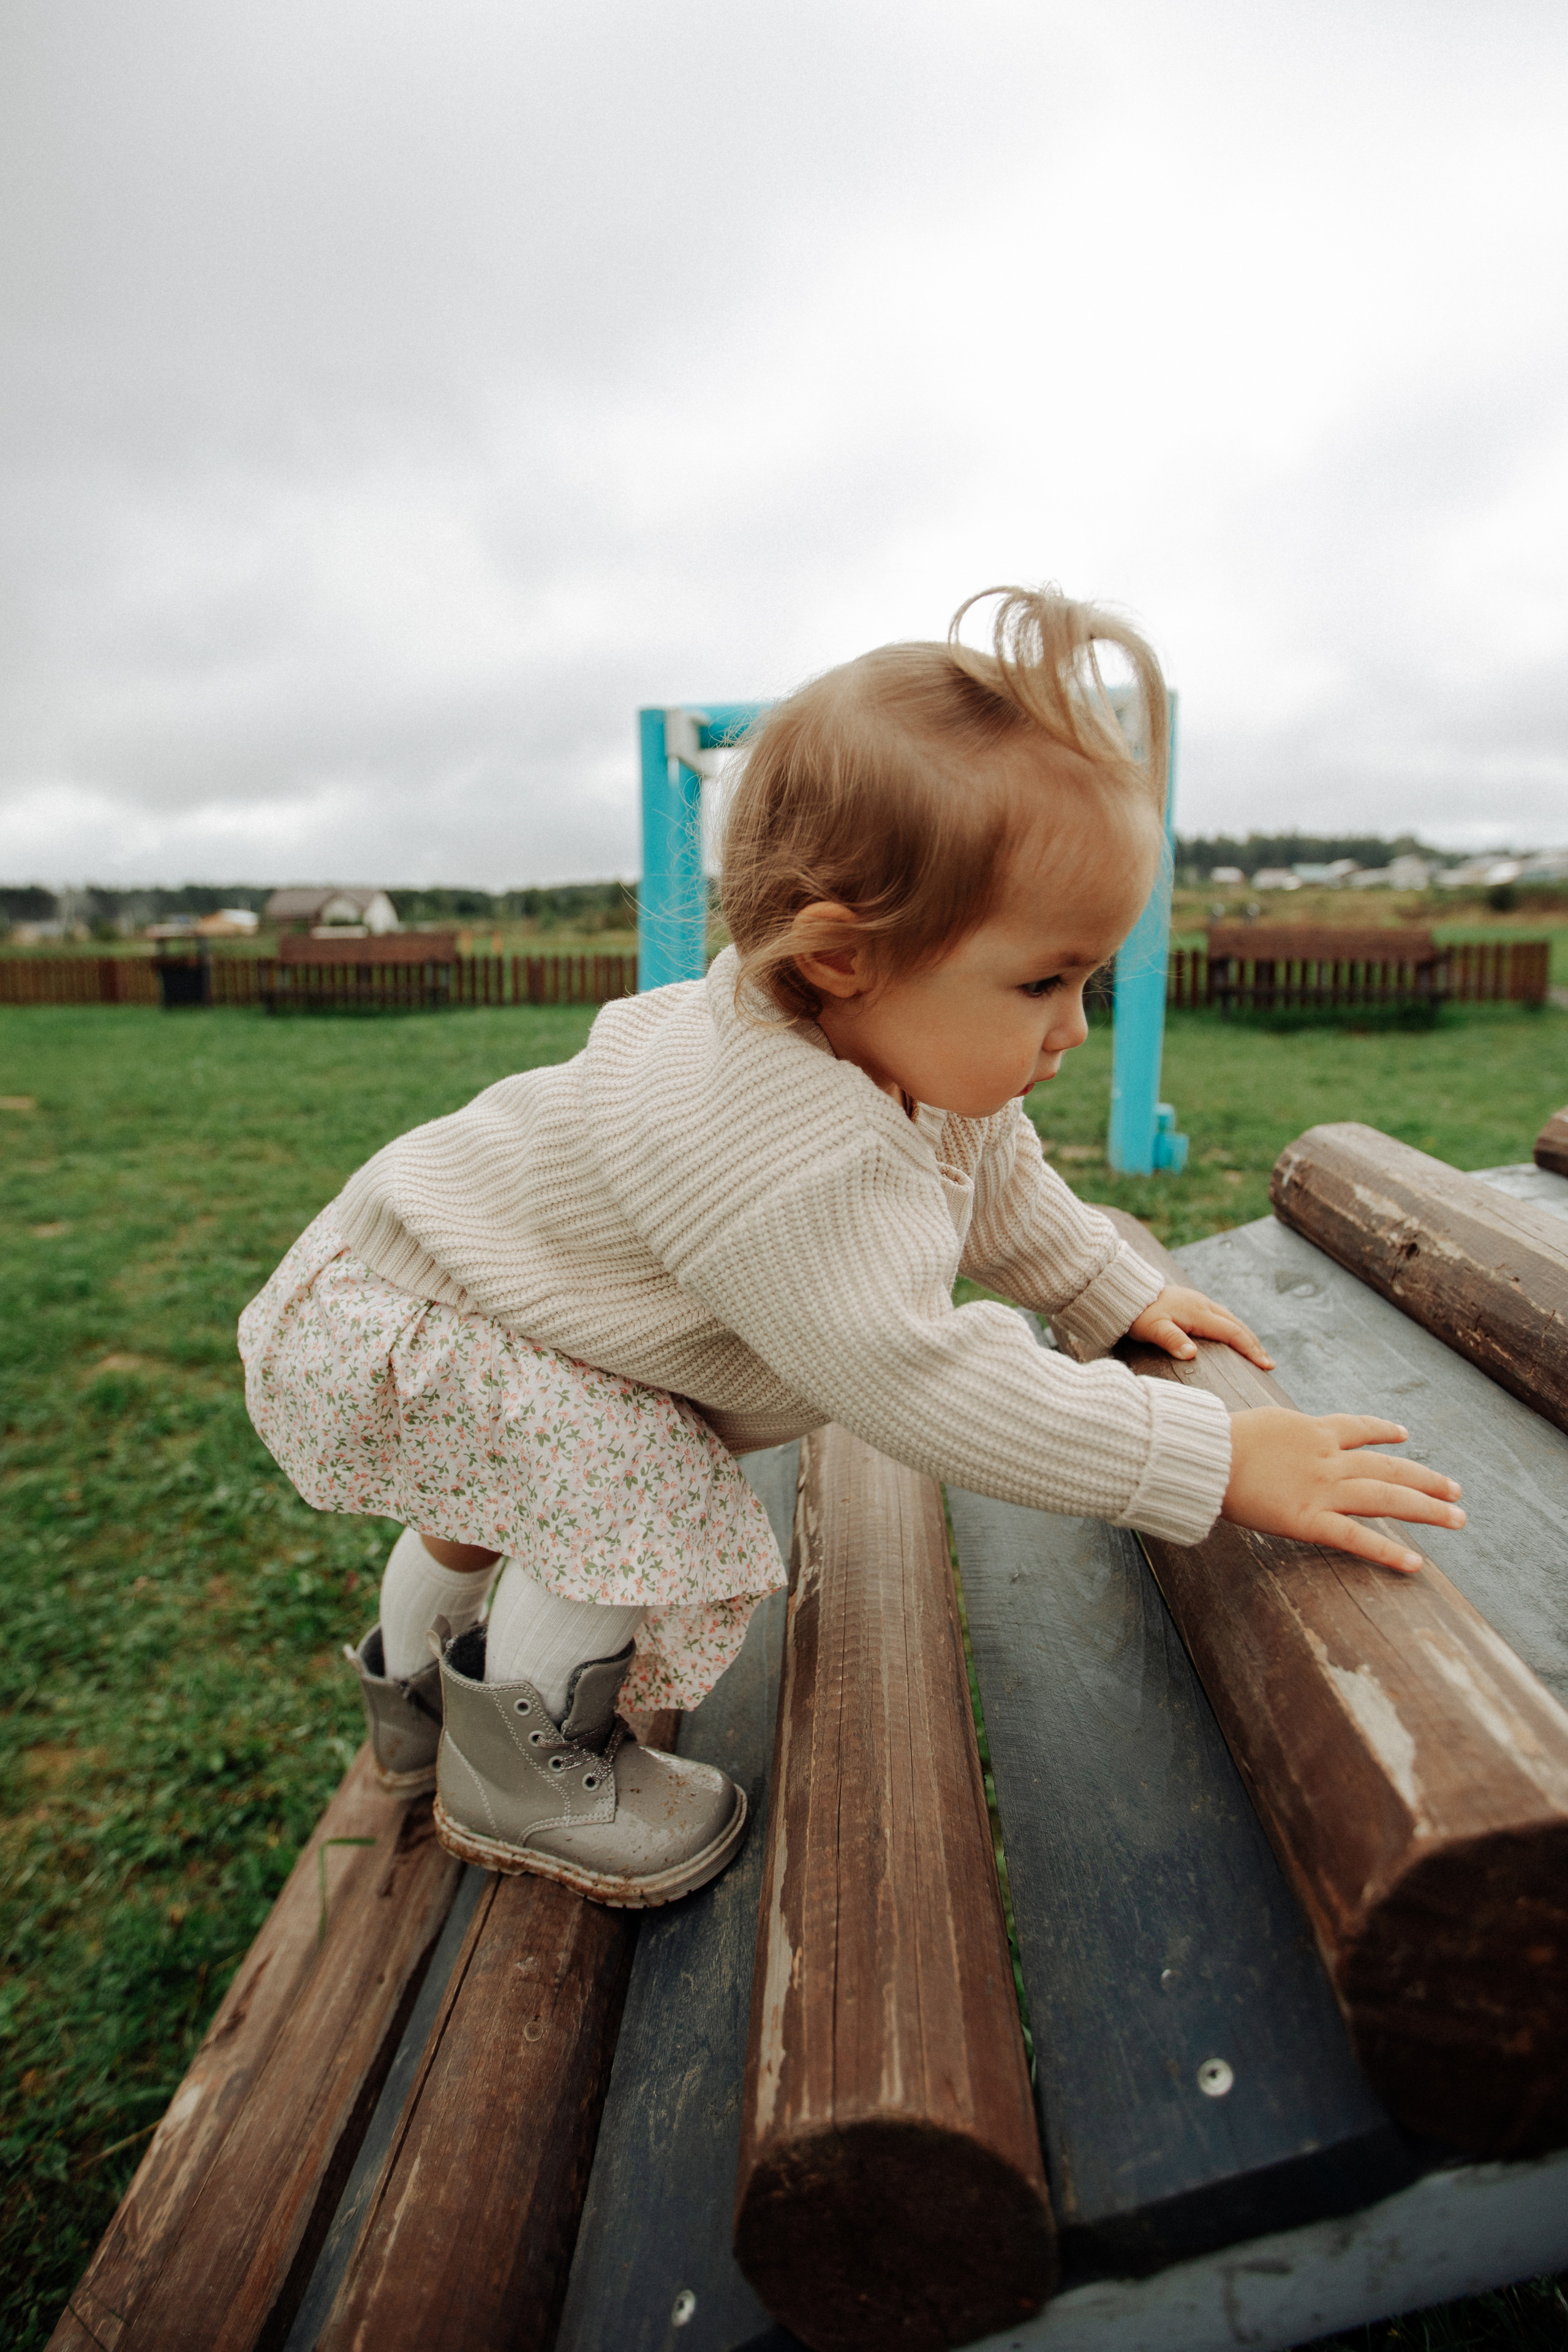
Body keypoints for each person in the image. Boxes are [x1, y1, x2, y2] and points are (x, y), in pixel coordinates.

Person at [238, 584, 1464, 1909]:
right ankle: (520, 1769)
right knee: (625, 1480)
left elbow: (992, 1173)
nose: (1071, 1032)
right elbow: (919, 1379)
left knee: (500, 1503)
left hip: (432, 1282)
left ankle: (419, 1702)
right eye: (1042, 982)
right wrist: (1207, 1456)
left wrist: (1104, 1285)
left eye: (1087, 983)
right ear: (839, 959)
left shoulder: (887, 1043)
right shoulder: (787, 1148)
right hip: (399, 1321)